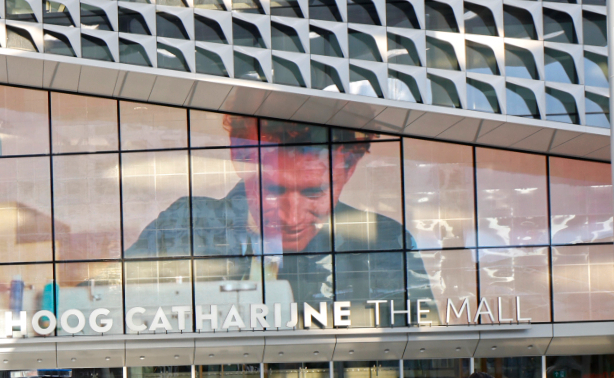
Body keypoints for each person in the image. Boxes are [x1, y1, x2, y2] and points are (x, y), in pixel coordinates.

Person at [124, 118, 431, 308]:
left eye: (313, 192)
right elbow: (104, 297)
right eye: (273, 190)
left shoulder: (383, 241)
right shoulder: (185, 223)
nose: (291, 217)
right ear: (238, 157)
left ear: (348, 171)